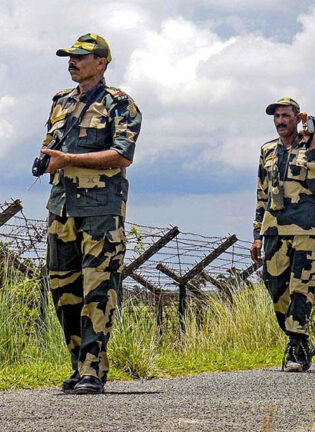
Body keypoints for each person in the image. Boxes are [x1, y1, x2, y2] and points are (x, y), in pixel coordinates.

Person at [43, 33, 142, 394]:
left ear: (101, 62)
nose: (72, 61)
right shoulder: (60, 102)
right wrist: (51, 163)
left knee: (98, 290)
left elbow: (122, 155)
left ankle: (93, 368)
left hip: (101, 210)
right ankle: (77, 364)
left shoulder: (120, 104)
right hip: (61, 207)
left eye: (80, 57)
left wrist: (69, 159)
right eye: (69, 56)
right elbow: (55, 149)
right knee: (63, 289)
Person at [250, 97, 315, 372]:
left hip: (305, 229)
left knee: (301, 287)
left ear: (298, 118)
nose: (281, 121)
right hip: (274, 229)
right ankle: (302, 339)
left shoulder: (312, 147)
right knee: (275, 287)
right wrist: (257, 234)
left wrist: (312, 144)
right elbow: (262, 195)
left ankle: (295, 346)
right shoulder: (267, 150)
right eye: (277, 116)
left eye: (285, 115)